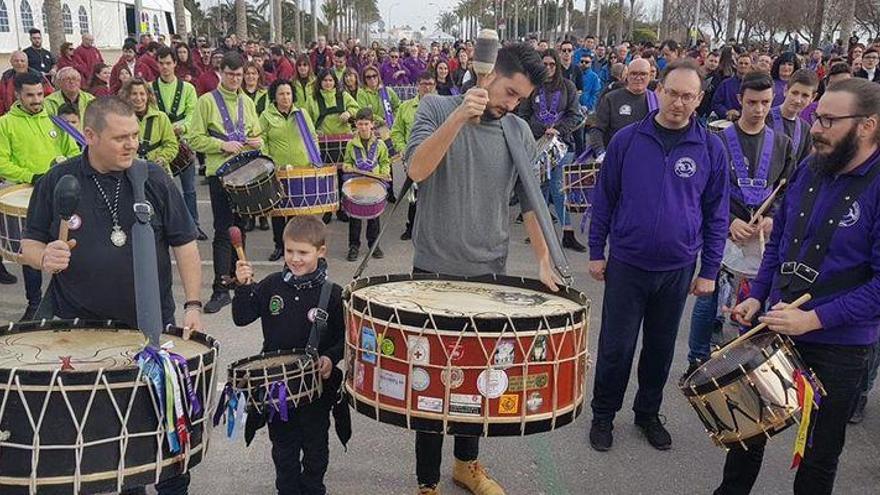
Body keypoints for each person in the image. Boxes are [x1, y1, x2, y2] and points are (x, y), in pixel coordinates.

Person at [20, 95, 202, 495]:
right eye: (120, 137)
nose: (131, 144)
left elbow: (185, 244)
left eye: (135, 135)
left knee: (168, 440)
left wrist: (192, 304)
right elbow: (29, 244)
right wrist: (44, 256)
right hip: (81, 335)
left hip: (150, 331)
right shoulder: (58, 180)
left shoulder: (153, 178)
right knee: (108, 443)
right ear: (90, 136)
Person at [405, 42, 561, 495]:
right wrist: (458, 118)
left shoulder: (517, 131)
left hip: (488, 274)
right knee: (431, 384)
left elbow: (530, 202)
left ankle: (466, 465)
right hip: (432, 271)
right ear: (488, 74)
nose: (512, 105)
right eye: (509, 92)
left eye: (520, 100)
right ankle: (427, 481)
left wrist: (545, 260)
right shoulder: (435, 107)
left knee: (476, 383)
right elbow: (417, 170)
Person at [719, 77, 880, 495]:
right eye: (815, 117)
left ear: (867, 125)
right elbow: (781, 244)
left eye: (827, 120)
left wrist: (813, 319)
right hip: (777, 324)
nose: (815, 127)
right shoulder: (810, 166)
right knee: (746, 434)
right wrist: (757, 295)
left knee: (818, 454)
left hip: (840, 344)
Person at [587, 58, 729, 452]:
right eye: (672, 93)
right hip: (628, 264)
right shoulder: (627, 140)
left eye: (688, 96)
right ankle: (603, 414)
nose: (678, 102)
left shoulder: (710, 148)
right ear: (658, 91)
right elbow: (604, 201)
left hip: (678, 268)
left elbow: (716, 214)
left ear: (699, 99)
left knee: (661, 349)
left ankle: (647, 413)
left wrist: (710, 270)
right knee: (616, 348)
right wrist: (597, 252)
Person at [684, 72, 795, 372]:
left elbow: (788, 191)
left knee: (756, 297)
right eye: (752, 102)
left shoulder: (783, 144)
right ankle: (696, 358)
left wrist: (772, 218)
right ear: (740, 100)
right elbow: (705, 190)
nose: (758, 109)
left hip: (761, 235)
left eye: (765, 102)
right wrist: (731, 220)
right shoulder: (719, 140)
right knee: (708, 297)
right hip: (724, 230)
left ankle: (747, 360)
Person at [231, 215, 344, 495]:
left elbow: (345, 339)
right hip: (277, 388)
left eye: (303, 252)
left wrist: (331, 357)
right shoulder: (271, 285)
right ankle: (287, 489)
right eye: (290, 250)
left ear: (320, 252)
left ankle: (314, 488)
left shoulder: (332, 294)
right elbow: (241, 318)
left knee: (316, 447)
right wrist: (243, 287)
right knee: (283, 447)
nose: (295, 258)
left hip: (316, 389)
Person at [0, 71, 80, 320]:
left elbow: (74, 150)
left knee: (69, 247)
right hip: (26, 193)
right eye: (30, 95)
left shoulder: (55, 121)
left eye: (39, 94)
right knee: (30, 251)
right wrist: (32, 176)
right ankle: (34, 303)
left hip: (59, 195)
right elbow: (2, 161)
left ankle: (70, 300)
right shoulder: (5, 124)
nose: (36, 100)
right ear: (17, 95)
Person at [188, 51, 262, 314]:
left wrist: (258, 141)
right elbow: (193, 138)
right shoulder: (207, 102)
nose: (235, 79)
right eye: (230, 74)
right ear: (221, 73)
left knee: (239, 228)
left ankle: (238, 279)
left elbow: (256, 133)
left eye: (239, 75)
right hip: (220, 174)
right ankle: (220, 289)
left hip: (245, 174)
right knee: (222, 230)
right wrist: (221, 144)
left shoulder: (248, 102)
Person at [519, 48, 586, 253]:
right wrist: (538, 130)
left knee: (558, 188)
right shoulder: (532, 87)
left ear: (557, 66)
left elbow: (575, 115)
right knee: (541, 188)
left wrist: (558, 129)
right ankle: (541, 232)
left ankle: (567, 232)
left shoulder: (568, 87)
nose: (548, 68)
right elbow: (523, 114)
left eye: (552, 64)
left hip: (561, 145)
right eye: (544, 64)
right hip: (538, 144)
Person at [259, 78, 320, 262]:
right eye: (281, 94)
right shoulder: (266, 116)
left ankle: (296, 246)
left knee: (297, 212)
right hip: (277, 171)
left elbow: (312, 137)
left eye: (288, 93)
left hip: (300, 170)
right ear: (274, 97)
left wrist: (315, 160)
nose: (285, 97)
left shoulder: (301, 114)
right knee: (278, 211)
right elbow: (262, 141)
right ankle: (279, 245)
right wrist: (269, 164)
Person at [153, 46, 205, 240]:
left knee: (189, 190)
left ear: (175, 63)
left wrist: (181, 128)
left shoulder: (188, 88)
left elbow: (193, 113)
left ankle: (194, 225)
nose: (165, 67)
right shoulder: (150, 88)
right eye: (161, 63)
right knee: (164, 190)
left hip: (183, 142)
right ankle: (167, 227)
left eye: (168, 63)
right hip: (161, 146)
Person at [342, 108, 390, 261]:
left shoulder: (380, 144)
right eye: (360, 124)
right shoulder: (351, 144)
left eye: (366, 124)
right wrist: (347, 166)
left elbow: (384, 161)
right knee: (355, 218)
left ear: (372, 125)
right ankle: (353, 246)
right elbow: (348, 161)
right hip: (356, 184)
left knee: (373, 217)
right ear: (356, 124)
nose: (363, 127)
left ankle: (374, 245)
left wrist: (384, 171)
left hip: (374, 183)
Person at [392, 72, 435, 241]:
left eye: (431, 84)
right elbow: (396, 132)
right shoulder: (405, 107)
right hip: (413, 158)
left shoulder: (441, 107)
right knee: (413, 196)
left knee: (433, 195)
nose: (428, 87)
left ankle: (431, 230)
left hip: (434, 157)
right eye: (424, 84)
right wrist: (403, 149)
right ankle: (411, 227)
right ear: (418, 85)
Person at [590, 58, 656, 152]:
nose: (638, 78)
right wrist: (600, 152)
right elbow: (597, 129)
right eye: (634, 73)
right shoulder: (611, 98)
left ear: (650, 76)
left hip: (645, 156)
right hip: (615, 156)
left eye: (643, 74)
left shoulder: (657, 102)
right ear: (627, 76)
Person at [119, 78, 178, 174]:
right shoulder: (121, 120)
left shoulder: (161, 118)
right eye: (134, 94)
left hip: (158, 171)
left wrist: (162, 158)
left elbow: (171, 145)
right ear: (127, 96)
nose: (138, 98)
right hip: (131, 172)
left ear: (148, 95)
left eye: (142, 94)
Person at [768, 68, 819, 164]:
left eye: (805, 95)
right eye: (794, 93)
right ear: (786, 90)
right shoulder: (765, 118)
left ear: (813, 97)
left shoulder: (806, 129)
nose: (797, 100)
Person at [0, 51, 53, 115]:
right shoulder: (6, 76)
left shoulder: (37, 76)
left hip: (34, 113)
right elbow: (1, 97)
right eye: (16, 61)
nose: (19, 63)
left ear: (27, 62)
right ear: (11, 62)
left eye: (22, 61)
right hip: (11, 113)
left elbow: (49, 95)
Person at [712, 51, 753, 121]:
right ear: (736, 65)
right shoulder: (725, 84)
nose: (743, 65)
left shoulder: (754, 85)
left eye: (746, 64)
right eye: (741, 63)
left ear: (750, 66)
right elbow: (715, 103)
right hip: (725, 121)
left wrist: (739, 113)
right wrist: (726, 112)